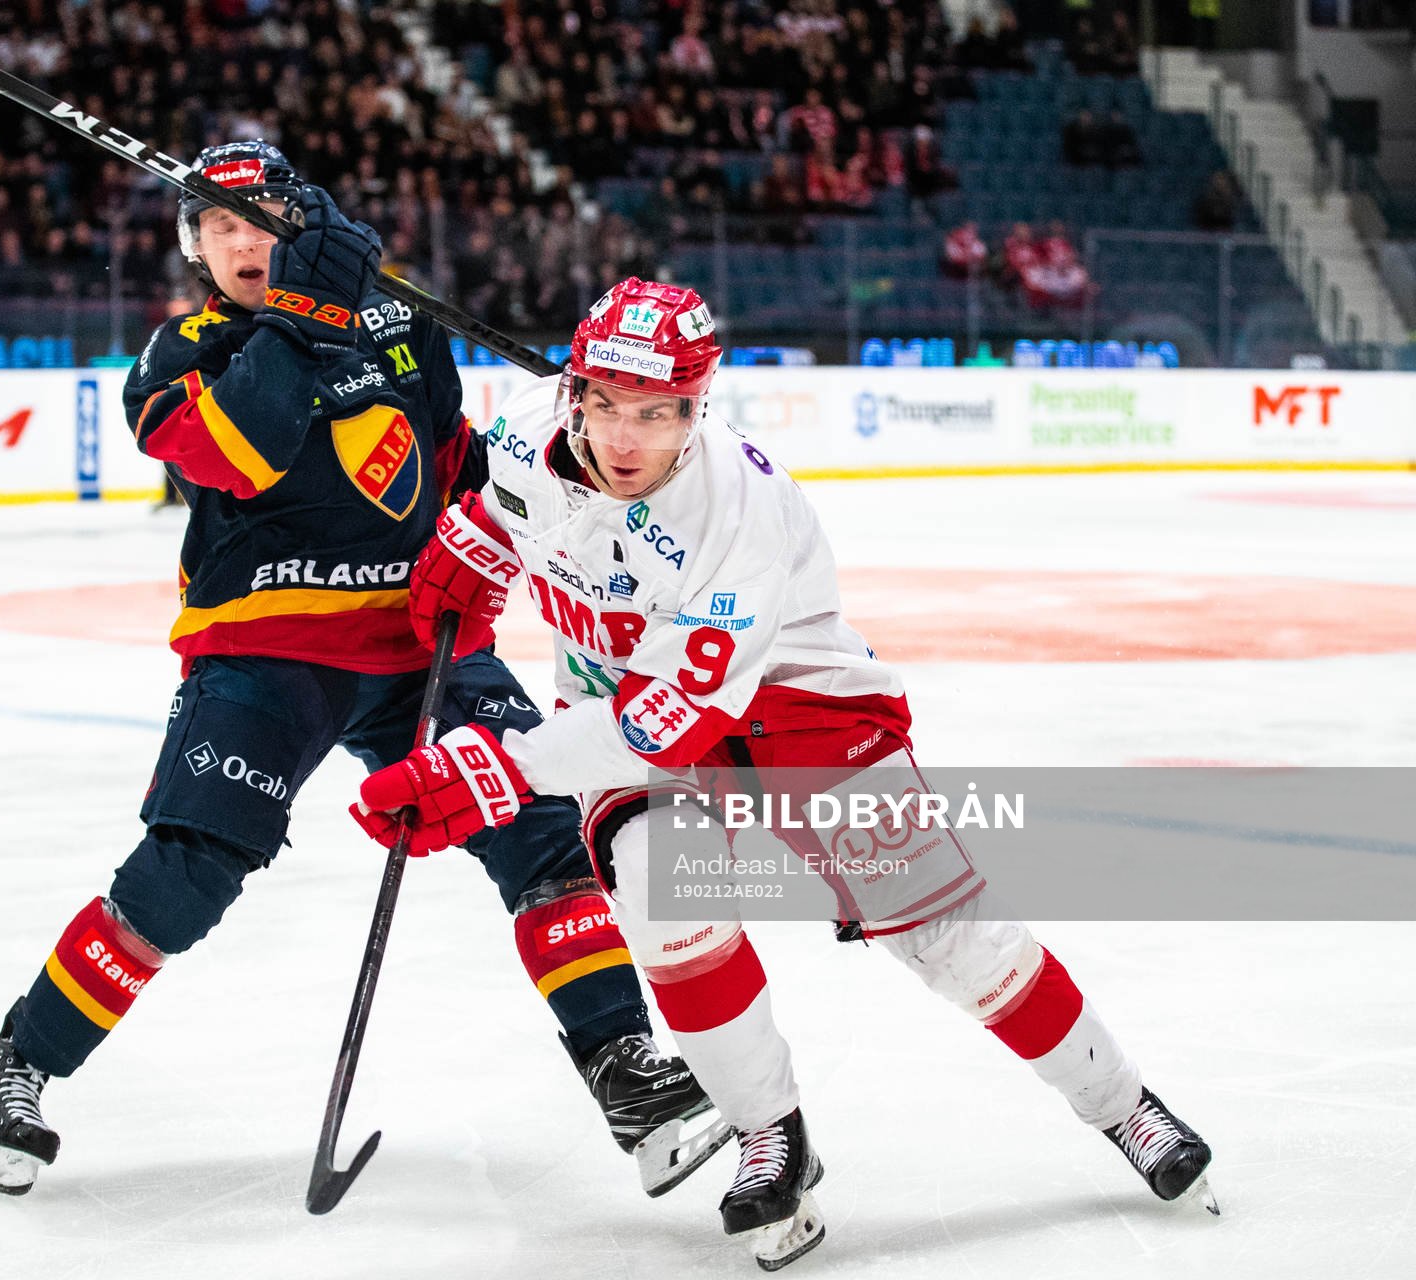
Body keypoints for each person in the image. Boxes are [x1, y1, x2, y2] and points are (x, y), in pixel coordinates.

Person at [351, 278, 1218, 1269]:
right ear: (574, 391)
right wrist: (477, 543)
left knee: (945, 932)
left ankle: (1124, 1104)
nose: (630, 439)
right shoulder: (520, 433)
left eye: (661, 413)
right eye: (608, 406)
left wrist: (501, 769)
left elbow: (667, 720)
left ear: (698, 405)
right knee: (660, 888)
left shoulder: (739, 509)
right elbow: (512, 509)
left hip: (797, 702)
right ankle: (772, 1133)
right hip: (631, 703)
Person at [0, 147, 726, 1198]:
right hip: (267, 650)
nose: (243, 241)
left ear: (309, 222)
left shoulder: (400, 320)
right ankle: (16, 1068)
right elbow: (241, 449)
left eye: (263, 218)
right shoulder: (182, 353)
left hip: (419, 645)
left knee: (543, 834)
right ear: (198, 250)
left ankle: (632, 1078)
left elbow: (451, 464)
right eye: (220, 226)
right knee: (188, 871)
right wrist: (308, 314)